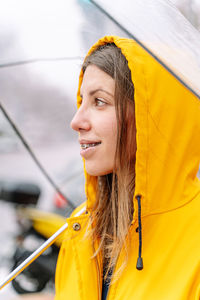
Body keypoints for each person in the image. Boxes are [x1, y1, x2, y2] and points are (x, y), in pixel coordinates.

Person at [54, 36, 200, 299]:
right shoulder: (80, 230)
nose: (76, 121)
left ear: (150, 114)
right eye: (81, 101)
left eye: (99, 102)